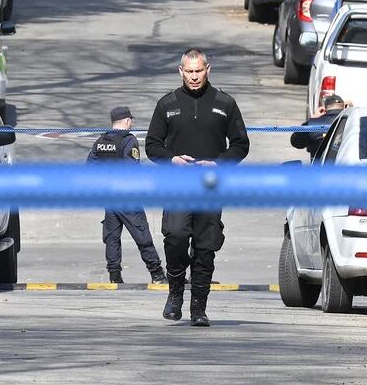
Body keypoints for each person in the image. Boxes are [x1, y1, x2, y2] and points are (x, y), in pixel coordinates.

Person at [146, 48, 250, 327]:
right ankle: (175, 292)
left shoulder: (224, 103)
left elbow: (241, 144)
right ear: (180, 71)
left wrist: (219, 163)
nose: (194, 77)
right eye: (189, 71)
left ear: (208, 69)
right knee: (176, 237)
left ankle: (199, 307)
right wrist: (172, 159)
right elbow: (152, 145)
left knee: (205, 247)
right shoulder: (167, 103)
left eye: (199, 71)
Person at [87, 106, 167, 285]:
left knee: (112, 238)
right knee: (142, 235)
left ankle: (114, 276)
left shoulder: (101, 140)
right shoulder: (128, 140)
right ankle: (157, 275)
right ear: (127, 121)